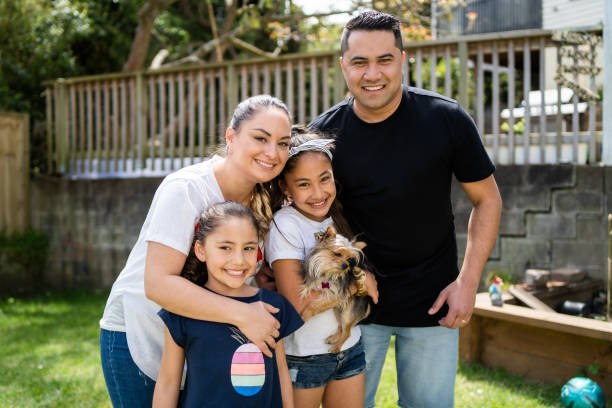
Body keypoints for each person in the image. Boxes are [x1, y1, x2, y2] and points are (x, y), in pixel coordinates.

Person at [309, 11, 503, 408]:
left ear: (403, 59)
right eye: (360, 62)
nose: (372, 74)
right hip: (355, 304)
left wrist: (467, 283)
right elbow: (308, 219)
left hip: (434, 299)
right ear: (343, 66)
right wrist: (355, 275)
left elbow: (488, 200)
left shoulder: (446, 119)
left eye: (384, 59)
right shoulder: (323, 136)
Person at [99, 95, 293, 407]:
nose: (273, 152)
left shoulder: (263, 201)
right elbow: (158, 284)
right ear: (231, 137)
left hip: (198, 347)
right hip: (138, 334)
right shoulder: (187, 189)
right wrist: (244, 314)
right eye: (260, 138)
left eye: (283, 143)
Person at [265, 130, 376, 408]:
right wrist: (355, 284)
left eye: (324, 179)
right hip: (305, 355)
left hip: (349, 348)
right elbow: (298, 301)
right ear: (285, 188)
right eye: (303, 184)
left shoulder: (336, 219)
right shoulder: (285, 225)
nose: (318, 193)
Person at [153, 201, 303, 408]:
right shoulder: (181, 311)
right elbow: (168, 382)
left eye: (248, 248)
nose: (239, 260)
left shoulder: (272, 305)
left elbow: (281, 371)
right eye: (225, 247)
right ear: (201, 250)